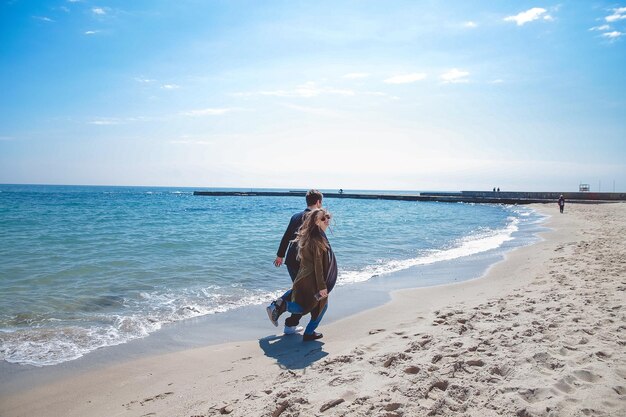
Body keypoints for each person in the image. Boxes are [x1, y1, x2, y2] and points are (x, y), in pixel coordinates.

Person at [267, 208, 337, 341]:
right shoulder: (317, 240)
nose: (327, 220)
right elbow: (318, 266)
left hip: (303, 277)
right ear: (316, 221)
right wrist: (322, 287)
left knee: (307, 303)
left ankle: (283, 308)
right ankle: (287, 309)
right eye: (323, 218)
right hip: (312, 279)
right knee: (317, 305)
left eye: (328, 217)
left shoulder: (310, 235)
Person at [273, 189, 323, 334]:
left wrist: (280, 256)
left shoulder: (296, 216)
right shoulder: (317, 217)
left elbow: (286, 237)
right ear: (319, 202)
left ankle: (290, 324)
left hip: (290, 260)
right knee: (305, 295)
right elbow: (319, 243)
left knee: (300, 292)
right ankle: (279, 307)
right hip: (305, 262)